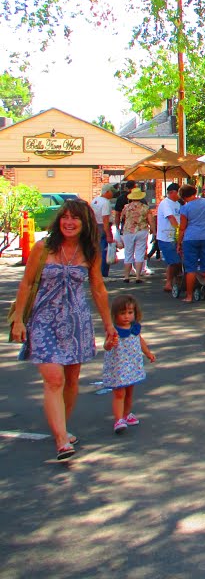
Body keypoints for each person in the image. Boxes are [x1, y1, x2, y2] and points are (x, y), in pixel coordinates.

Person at [8, 198, 118, 462]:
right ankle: (60, 440)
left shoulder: (89, 251)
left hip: (76, 322)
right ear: (59, 221)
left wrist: (109, 325)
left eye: (75, 218)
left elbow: (98, 289)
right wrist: (19, 321)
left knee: (70, 380)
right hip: (43, 320)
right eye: (65, 217)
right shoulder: (43, 248)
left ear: (84, 223)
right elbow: (27, 283)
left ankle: (63, 427)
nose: (69, 222)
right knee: (54, 379)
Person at [102, 294, 156, 434]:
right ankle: (118, 419)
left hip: (132, 364)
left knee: (130, 392)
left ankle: (127, 413)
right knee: (119, 393)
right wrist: (109, 344)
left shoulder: (134, 328)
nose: (126, 316)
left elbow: (140, 340)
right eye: (122, 313)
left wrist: (148, 353)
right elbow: (106, 346)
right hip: (119, 366)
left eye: (130, 312)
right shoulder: (114, 331)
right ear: (115, 314)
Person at [119, 187, 150, 283]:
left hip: (128, 231)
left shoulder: (126, 207)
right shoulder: (145, 207)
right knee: (139, 253)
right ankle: (138, 277)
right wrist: (153, 229)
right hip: (142, 230)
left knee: (128, 253)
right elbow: (151, 219)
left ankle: (126, 276)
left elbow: (121, 218)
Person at [156, 183, 183, 293]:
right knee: (174, 261)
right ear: (173, 192)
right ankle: (169, 282)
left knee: (177, 261)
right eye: (179, 192)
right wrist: (178, 231)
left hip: (176, 237)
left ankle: (174, 281)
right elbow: (171, 218)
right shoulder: (165, 203)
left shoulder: (178, 204)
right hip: (166, 237)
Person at [91, 183, 116, 277]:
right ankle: (103, 273)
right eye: (111, 192)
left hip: (95, 226)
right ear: (107, 192)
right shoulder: (106, 202)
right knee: (105, 250)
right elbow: (105, 219)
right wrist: (108, 234)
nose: (112, 195)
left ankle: (96, 272)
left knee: (97, 250)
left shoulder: (94, 200)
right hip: (103, 226)